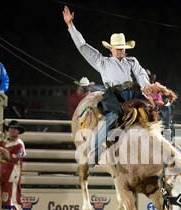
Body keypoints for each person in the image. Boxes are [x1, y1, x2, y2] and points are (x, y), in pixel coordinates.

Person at [62, 5, 150, 165]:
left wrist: (147, 87)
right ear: (111, 49)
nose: (120, 51)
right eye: (117, 48)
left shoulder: (132, 61)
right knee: (112, 116)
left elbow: (141, 74)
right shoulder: (102, 62)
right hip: (114, 95)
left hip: (133, 93)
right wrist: (70, 25)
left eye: (122, 48)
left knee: (153, 112)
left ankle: (164, 150)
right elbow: (83, 47)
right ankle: (95, 151)